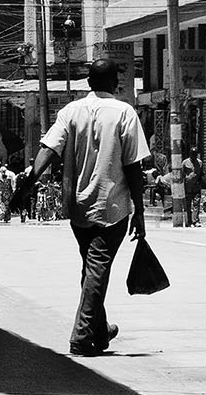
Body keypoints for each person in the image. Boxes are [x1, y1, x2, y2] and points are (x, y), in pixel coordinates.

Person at [32, 56, 152, 355]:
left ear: (88, 82)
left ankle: (100, 330)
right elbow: (134, 166)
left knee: (91, 266)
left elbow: (49, 148)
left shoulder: (70, 111)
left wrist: (28, 181)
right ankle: (82, 335)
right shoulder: (124, 112)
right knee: (97, 268)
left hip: (78, 207)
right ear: (116, 83)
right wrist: (139, 210)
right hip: (111, 206)